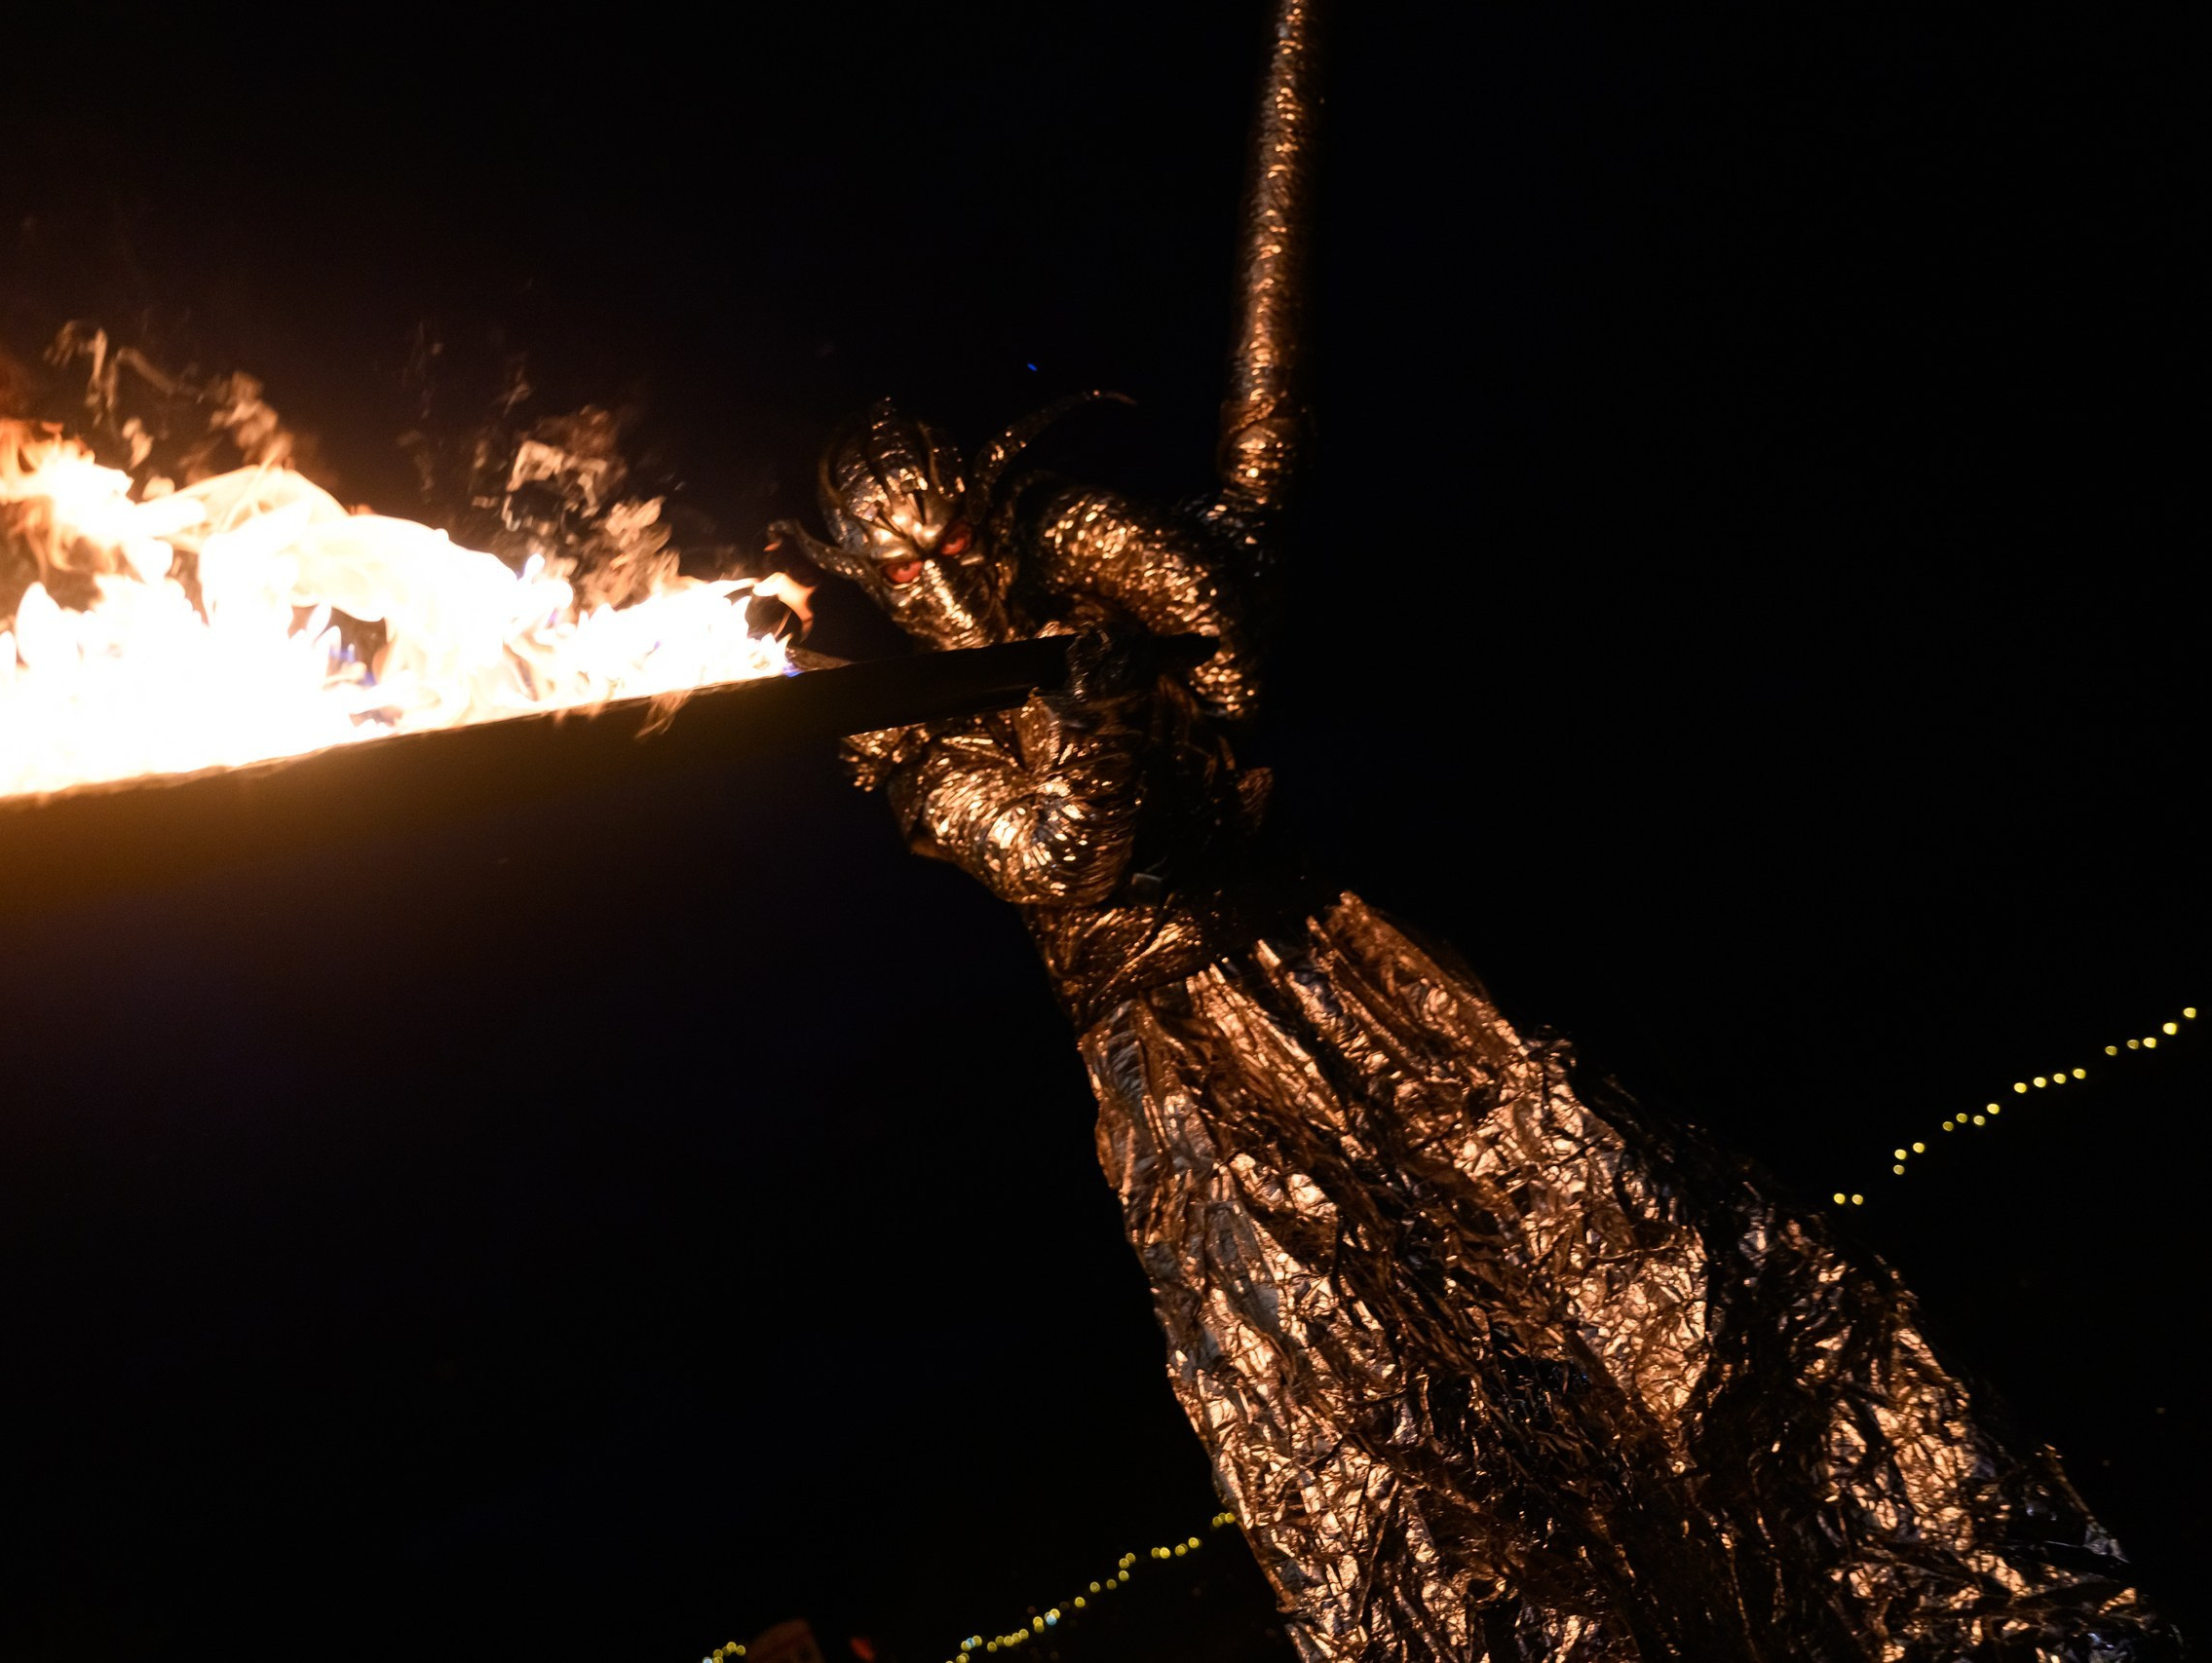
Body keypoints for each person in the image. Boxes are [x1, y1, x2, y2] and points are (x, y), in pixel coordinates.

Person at [767, 3, 2178, 1655]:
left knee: (1634, 1258)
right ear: (875, 579)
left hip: (1341, 957)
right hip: (1181, 1049)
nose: (952, 572)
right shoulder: (904, 736)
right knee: (1386, 1421)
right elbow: (1069, 860)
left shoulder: (1068, 563)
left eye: (964, 534)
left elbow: (1236, 660)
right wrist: (1097, 709)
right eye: (915, 562)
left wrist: (1173, 588)